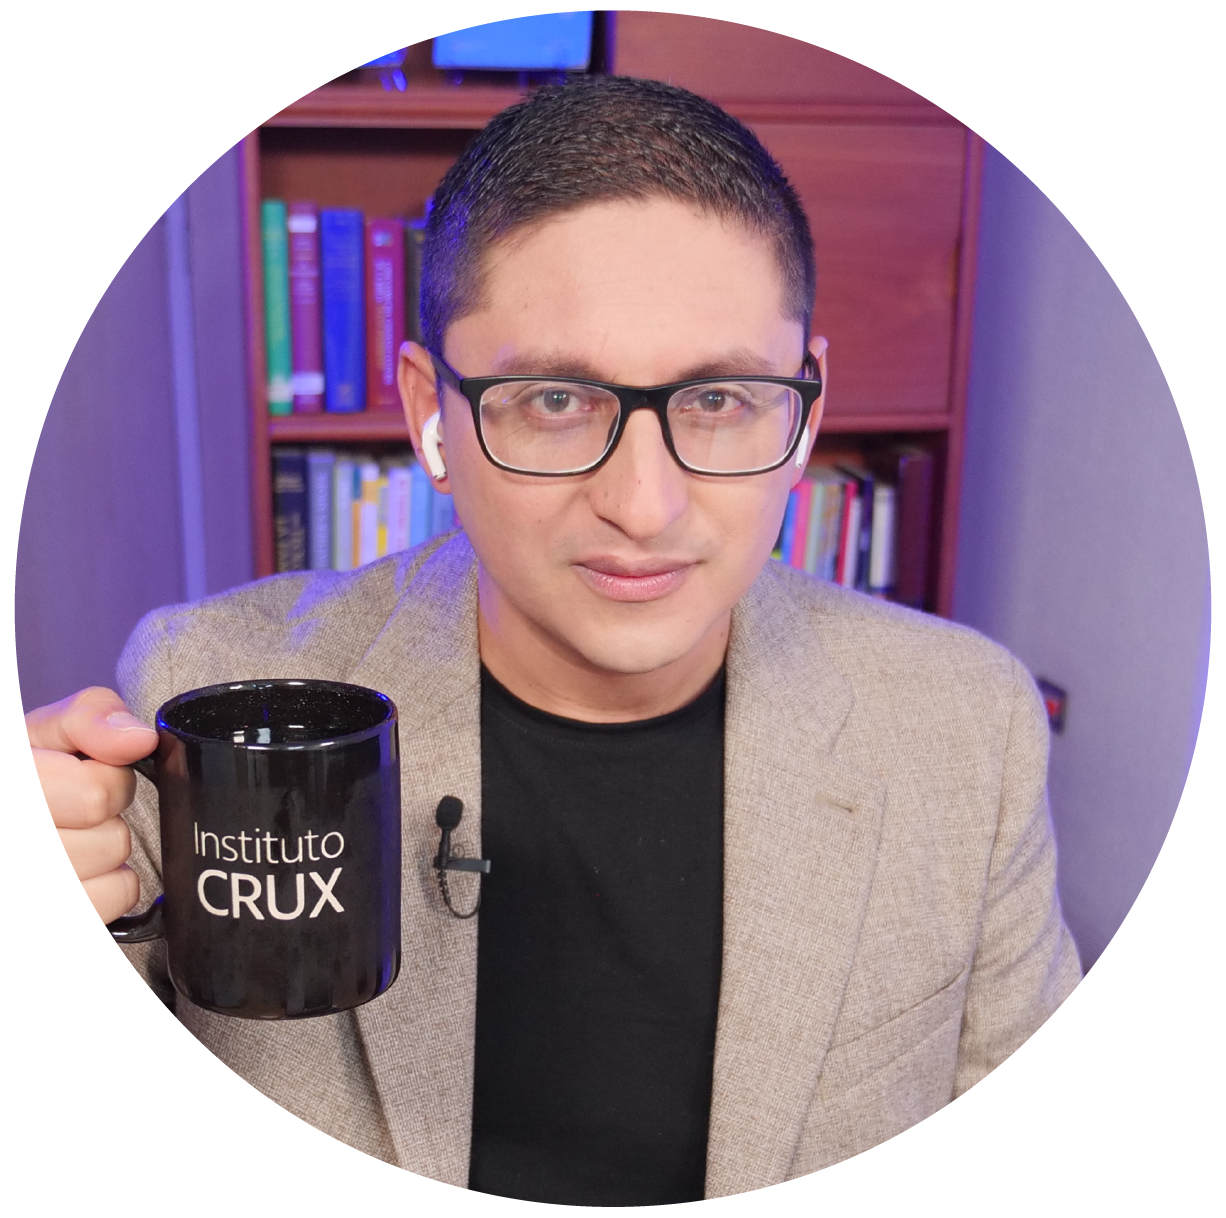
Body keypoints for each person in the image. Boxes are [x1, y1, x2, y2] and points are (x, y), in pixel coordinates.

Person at [27, 76, 1080, 1204]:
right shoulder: (201, 689)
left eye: (719, 398)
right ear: (430, 414)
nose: (643, 506)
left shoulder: (966, 729)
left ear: (806, 408)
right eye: (553, 401)